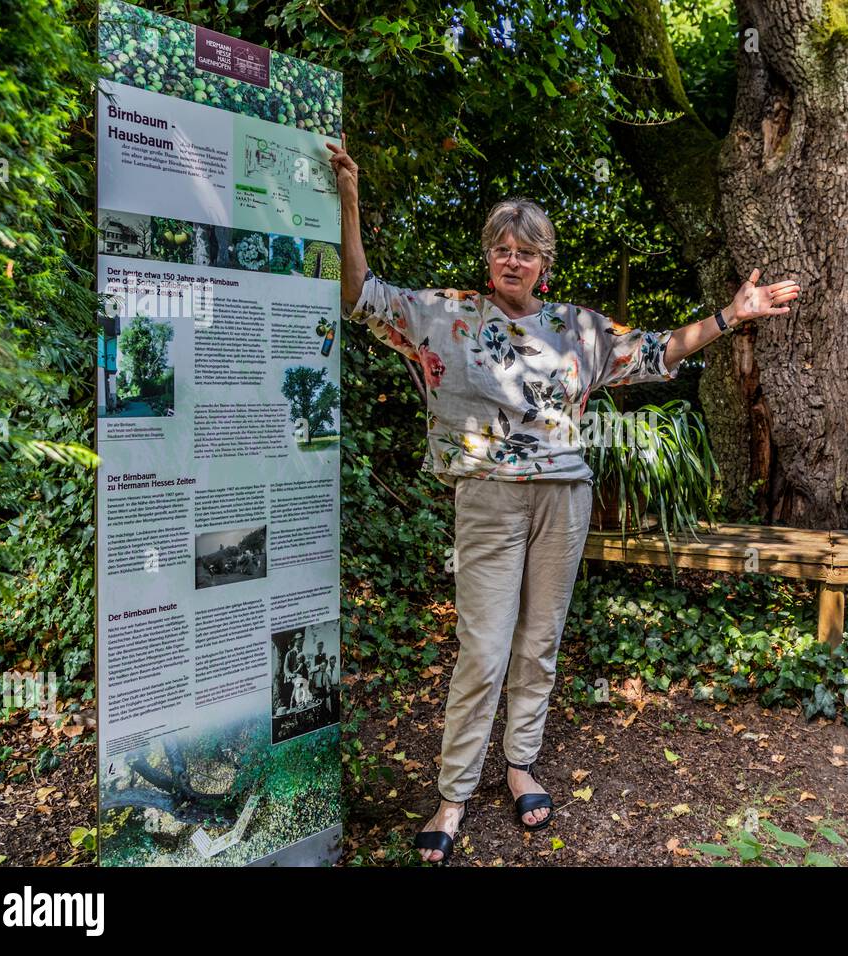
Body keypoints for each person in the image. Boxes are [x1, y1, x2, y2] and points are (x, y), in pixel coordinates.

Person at [326, 136, 800, 863]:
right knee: (481, 650)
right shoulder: (443, 315)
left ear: (546, 263)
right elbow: (359, 295)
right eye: (500, 248)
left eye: (525, 250)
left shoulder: (578, 328)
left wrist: (731, 316)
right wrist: (349, 199)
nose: (510, 259)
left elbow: (660, 351)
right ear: (488, 256)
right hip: (487, 497)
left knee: (539, 642)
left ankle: (519, 765)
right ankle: (453, 793)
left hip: (564, 500)